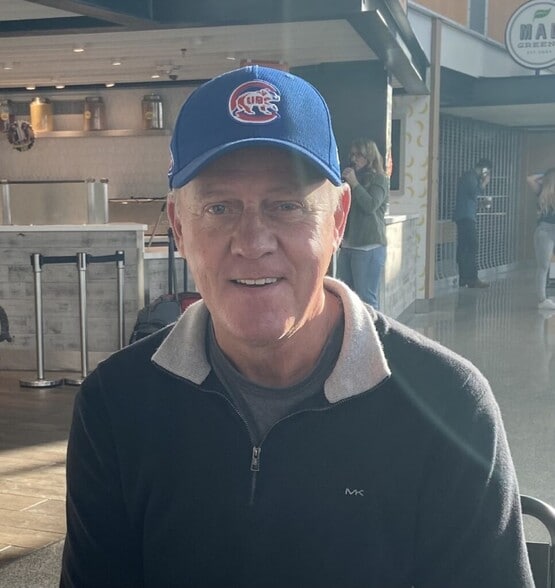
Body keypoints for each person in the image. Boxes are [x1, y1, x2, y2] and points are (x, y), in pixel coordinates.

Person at [61, 66, 533, 587]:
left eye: (286, 206)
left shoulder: (450, 407)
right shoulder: (116, 405)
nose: (252, 241)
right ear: (178, 226)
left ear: (338, 220)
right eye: (219, 208)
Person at [337, 138, 388, 308]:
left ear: (369, 157)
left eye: (358, 155)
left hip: (368, 246)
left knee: (366, 299)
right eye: (352, 155)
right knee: (346, 297)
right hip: (347, 245)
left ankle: (372, 326)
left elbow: (371, 205)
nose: (354, 159)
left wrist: (355, 184)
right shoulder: (350, 179)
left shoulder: (379, 180)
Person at [453, 158, 492, 288]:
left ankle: (464, 278)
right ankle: (472, 278)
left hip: (465, 215)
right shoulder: (471, 177)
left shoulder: (469, 177)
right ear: (484, 169)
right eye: (487, 172)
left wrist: (481, 204)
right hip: (466, 217)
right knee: (472, 246)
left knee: (465, 247)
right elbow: (475, 192)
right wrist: (484, 182)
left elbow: (470, 199)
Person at [527, 168, 555, 310]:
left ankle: (543, 299)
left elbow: (531, 179)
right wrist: (546, 175)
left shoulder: (541, 192)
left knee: (544, 266)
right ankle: (542, 299)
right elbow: (530, 179)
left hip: (546, 230)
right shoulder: (543, 192)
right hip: (546, 230)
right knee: (543, 266)